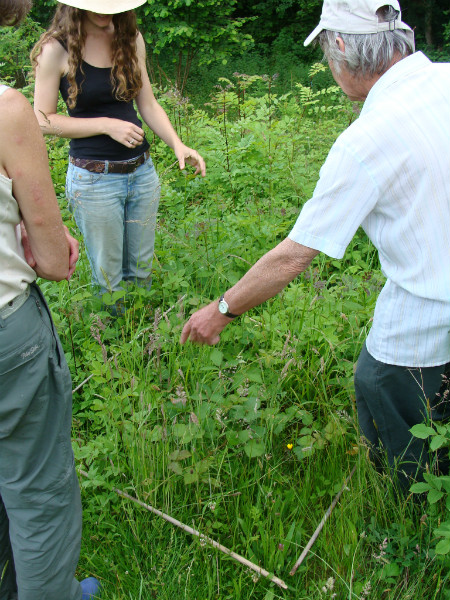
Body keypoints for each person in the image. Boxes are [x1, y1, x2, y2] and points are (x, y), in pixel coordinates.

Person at [181, 0, 450, 489]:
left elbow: (293, 257)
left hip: (426, 316)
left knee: (380, 394)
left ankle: (414, 523)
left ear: (342, 46)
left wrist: (221, 310)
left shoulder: (366, 140)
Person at [0, 2, 102, 599]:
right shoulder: (7, 111)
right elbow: (55, 262)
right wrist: (50, 240)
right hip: (6, 336)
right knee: (38, 493)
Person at [31, 0, 205, 307]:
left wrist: (178, 144)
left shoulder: (130, 37)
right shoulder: (56, 48)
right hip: (95, 179)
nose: (105, 10)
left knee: (141, 271)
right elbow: (43, 120)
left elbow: (147, 103)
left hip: (142, 173)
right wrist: (107, 125)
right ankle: (114, 345)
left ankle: (144, 343)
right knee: (109, 280)